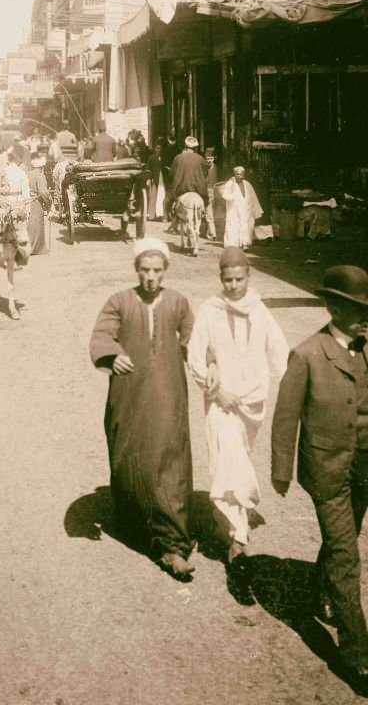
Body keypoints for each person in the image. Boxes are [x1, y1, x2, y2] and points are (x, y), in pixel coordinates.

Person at [271, 265, 368, 690]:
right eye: (357, 309)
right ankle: (356, 655)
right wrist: (281, 470)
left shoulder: (366, 349)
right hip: (327, 470)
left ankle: (318, 590)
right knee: (347, 555)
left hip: (362, 467)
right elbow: (286, 416)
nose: (366, 316)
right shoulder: (308, 353)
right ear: (333, 308)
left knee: (340, 538)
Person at [89, 238, 196, 580]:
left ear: (166, 270)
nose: (151, 277)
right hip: (130, 393)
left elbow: (196, 338)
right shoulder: (120, 301)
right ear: (136, 270)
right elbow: (102, 334)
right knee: (129, 455)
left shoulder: (178, 302)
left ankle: (173, 545)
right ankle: (135, 522)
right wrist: (112, 354)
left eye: (157, 270)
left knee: (170, 460)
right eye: (145, 270)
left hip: (168, 394)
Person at [188, 247, 289, 561]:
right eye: (228, 280)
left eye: (239, 279)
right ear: (220, 279)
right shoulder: (209, 310)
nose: (233, 286)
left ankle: (228, 520)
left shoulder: (260, 311)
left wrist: (293, 391)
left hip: (253, 401)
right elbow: (194, 356)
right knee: (228, 458)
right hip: (221, 401)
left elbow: (279, 353)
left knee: (238, 459)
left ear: (249, 276)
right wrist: (215, 390)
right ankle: (239, 537)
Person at [170, 136, 209, 256]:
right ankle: (204, 213)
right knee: (205, 203)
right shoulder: (200, 159)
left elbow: (172, 174)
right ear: (195, 148)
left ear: (185, 147)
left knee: (171, 204)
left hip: (182, 191)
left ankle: (174, 222)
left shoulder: (178, 158)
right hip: (198, 191)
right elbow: (205, 173)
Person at [222, 165, 263, 250]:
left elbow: (253, 197)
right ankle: (233, 244)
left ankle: (245, 243)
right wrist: (233, 189)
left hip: (245, 209)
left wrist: (255, 209)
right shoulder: (230, 184)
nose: (239, 176)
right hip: (234, 210)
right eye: (237, 174)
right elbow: (226, 196)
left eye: (241, 174)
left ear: (244, 175)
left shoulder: (247, 184)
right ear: (234, 174)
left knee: (246, 225)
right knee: (234, 225)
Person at [27, 151, 51, 254]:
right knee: (36, 226)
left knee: (29, 226)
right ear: (42, 167)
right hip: (36, 203)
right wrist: (49, 203)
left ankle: (28, 246)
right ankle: (35, 249)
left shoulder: (27, 174)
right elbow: (43, 192)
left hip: (27, 202)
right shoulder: (40, 176)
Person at [146, 139, 166, 221]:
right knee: (153, 197)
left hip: (162, 179)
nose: (159, 150)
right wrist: (149, 179)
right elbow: (148, 169)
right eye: (157, 148)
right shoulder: (151, 158)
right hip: (155, 179)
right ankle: (151, 215)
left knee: (162, 196)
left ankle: (161, 214)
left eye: (160, 148)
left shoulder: (164, 158)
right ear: (155, 149)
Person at [203, 148, 219, 241]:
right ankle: (207, 232)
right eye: (208, 158)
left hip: (211, 191)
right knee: (206, 212)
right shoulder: (204, 167)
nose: (209, 160)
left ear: (214, 158)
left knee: (209, 212)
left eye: (211, 158)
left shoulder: (215, 167)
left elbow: (215, 181)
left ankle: (212, 233)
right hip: (205, 190)